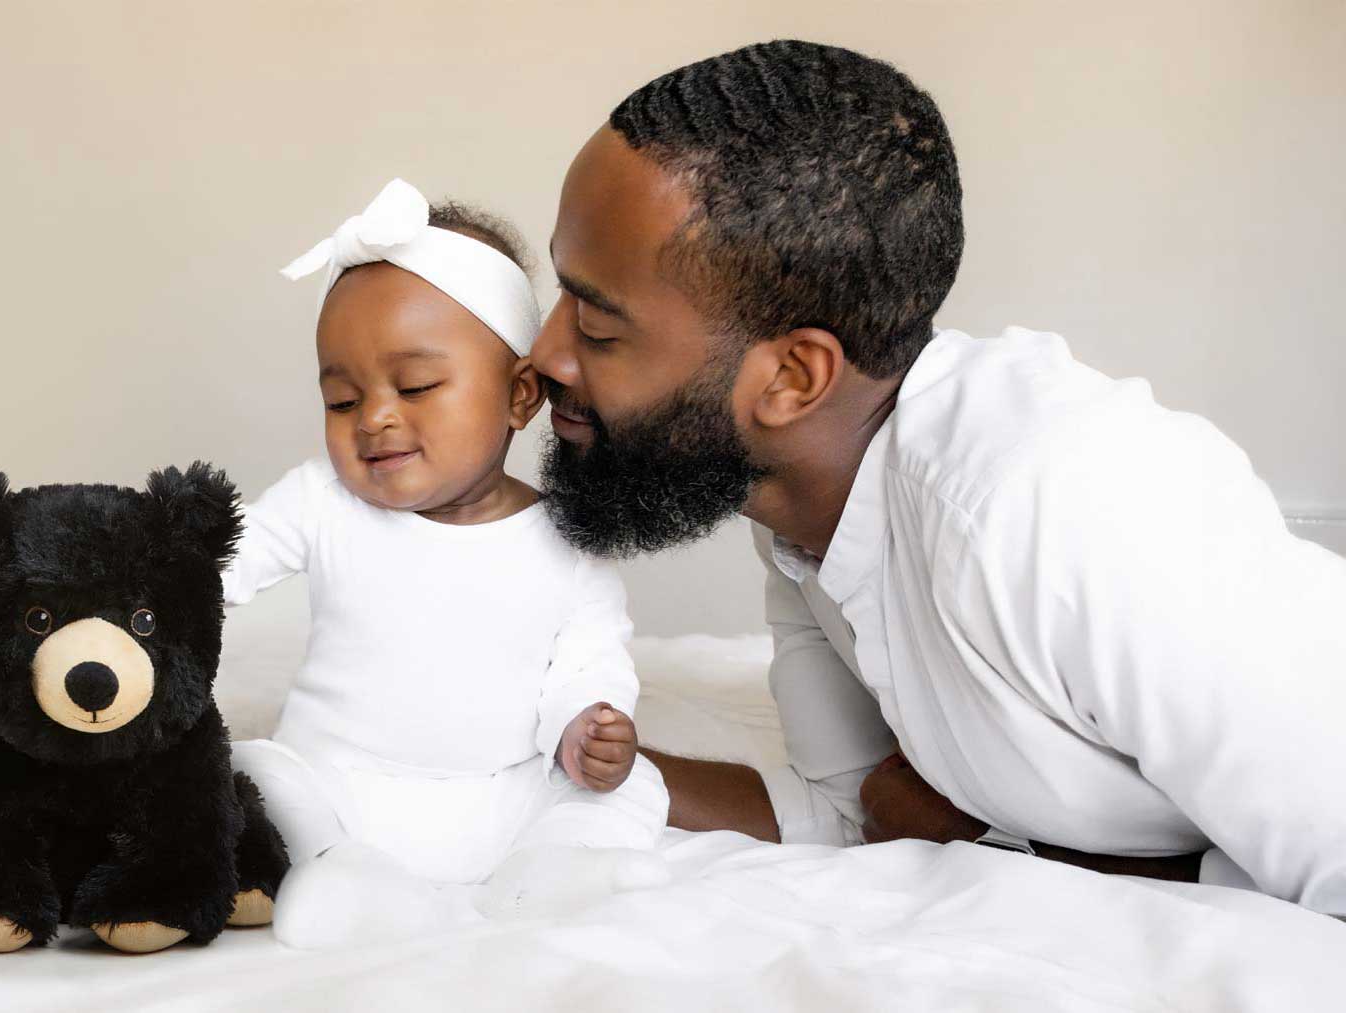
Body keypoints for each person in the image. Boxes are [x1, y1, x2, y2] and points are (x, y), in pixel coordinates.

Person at [526, 39, 1346, 914]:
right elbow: (855, 809)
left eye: (598, 328)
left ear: (794, 378)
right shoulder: (799, 508)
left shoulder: (1053, 505)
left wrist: (1045, 857)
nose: (543, 354)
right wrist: (526, 762)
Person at [226, 178, 668, 950]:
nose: (375, 417)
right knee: (247, 774)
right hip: (337, 788)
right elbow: (216, 567)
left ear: (519, 395)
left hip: (503, 799)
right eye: (342, 399)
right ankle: (344, 876)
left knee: (636, 786)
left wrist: (587, 724)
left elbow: (589, 662)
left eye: (417, 385)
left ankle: (550, 872)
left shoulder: (567, 540)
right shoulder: (322, 501)